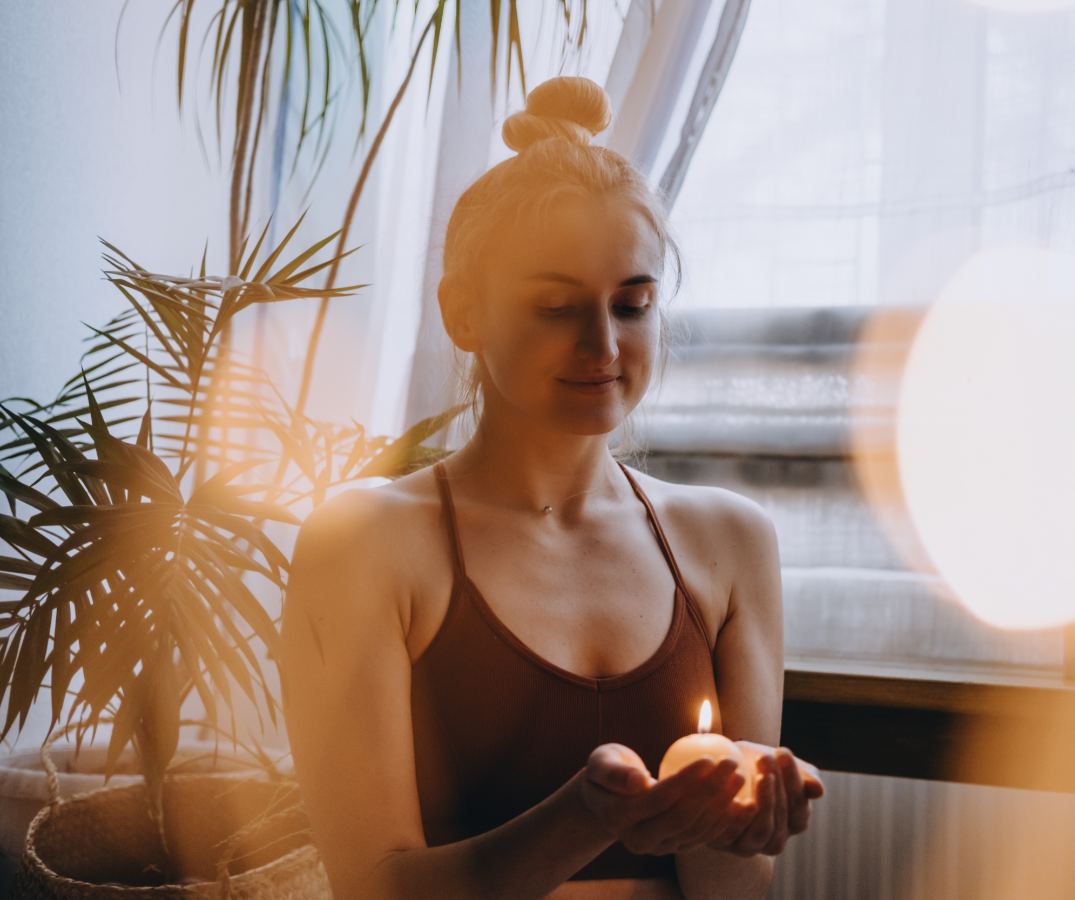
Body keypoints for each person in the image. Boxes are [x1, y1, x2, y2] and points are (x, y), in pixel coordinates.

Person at [281, 76, 824, 900]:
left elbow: (730, 890)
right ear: (464, 314)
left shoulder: (731, 542)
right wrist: (589, 815)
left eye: (633, 305)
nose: (602, 343)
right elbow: (374, 886)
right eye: (557, 306)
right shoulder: (364, 545)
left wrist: (733, 822)